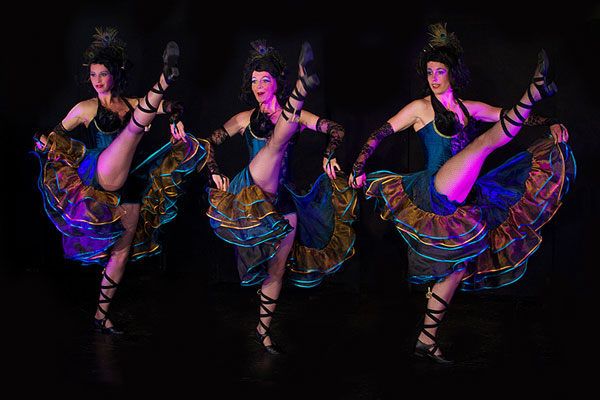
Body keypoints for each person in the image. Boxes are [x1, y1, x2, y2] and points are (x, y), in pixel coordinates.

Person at [349, 23, 575, 363]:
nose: (434, 78)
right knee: (483, 144)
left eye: (440, 71)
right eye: (429, 72)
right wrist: (358, 166)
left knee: (455, 269)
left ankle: (426, 339)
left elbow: (509, 120)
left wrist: (548, 123)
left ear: (452, 73)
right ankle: (534, 89)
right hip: (436, 189)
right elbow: (380, 133)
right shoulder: (420, 108)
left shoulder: (469, 108)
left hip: (464, 196)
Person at [33, 27, 208, 334]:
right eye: (93, 75)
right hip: (100, 176)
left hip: (129, 182)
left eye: (103, 74)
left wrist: (174, 118)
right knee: (134, 129)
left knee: (121, 253)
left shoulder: (132, 103)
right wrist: (43, 142)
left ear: (116, 74)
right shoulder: (86, 108)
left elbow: (171, 106)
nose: (97, 80)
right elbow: (52, 133)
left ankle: (101, 314)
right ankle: (164, 78)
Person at [205, 40, 357, 354]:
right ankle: (303, 87)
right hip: (250, 194)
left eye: (265, 80)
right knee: (275, 144)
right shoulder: (244, 119)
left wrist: (329, 154)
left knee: (276, 269)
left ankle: (262, 331)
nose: (258, 86)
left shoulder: (296, 117)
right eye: (254, 80)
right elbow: (208, 143)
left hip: (282, 203)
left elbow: (336, 129)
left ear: (276, 83)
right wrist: (214, 172)